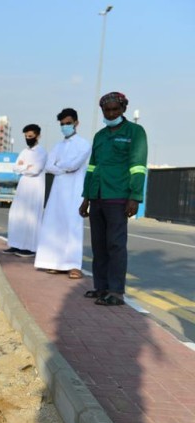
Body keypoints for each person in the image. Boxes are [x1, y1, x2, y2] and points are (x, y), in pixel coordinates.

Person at [79, 91, 148, 306]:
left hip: (118, 196)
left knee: (115, 245)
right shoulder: (100, 136)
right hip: (97, 195)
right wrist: (86, 197)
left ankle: (116, 292)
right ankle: (101, 287)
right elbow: (92, 167)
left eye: (115, 110)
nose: (110, 114)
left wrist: (135, 197)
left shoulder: (135, 132)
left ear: (124, 109)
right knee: (98, 245)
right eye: (106, 110)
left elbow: (138, 165)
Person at [34, 109, 92, 279]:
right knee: (55, 224)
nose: (65, 126)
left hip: (75, 190)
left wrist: (59, 166)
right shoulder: (58, 146)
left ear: (76, 123)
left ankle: (73, 265)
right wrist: (63, 167)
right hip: (58, 190)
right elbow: (48, 166)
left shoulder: (84, 144)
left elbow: (75, 165)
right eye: (62, 124)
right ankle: (56, 263)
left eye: (68, 123)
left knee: (73, 225)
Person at [4, 124, 48, 257]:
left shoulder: (41, 152)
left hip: (34, 188)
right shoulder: (24, 152)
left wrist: (23, 167)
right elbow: (15, 168)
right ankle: (16, 244)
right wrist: (26, 167)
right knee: (17, 215)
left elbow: (35, 170)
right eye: (26, 136)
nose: (28, 138)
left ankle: (30, 248)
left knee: (31, 217)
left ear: (38, 136)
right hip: (23, 187)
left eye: (30, 136)